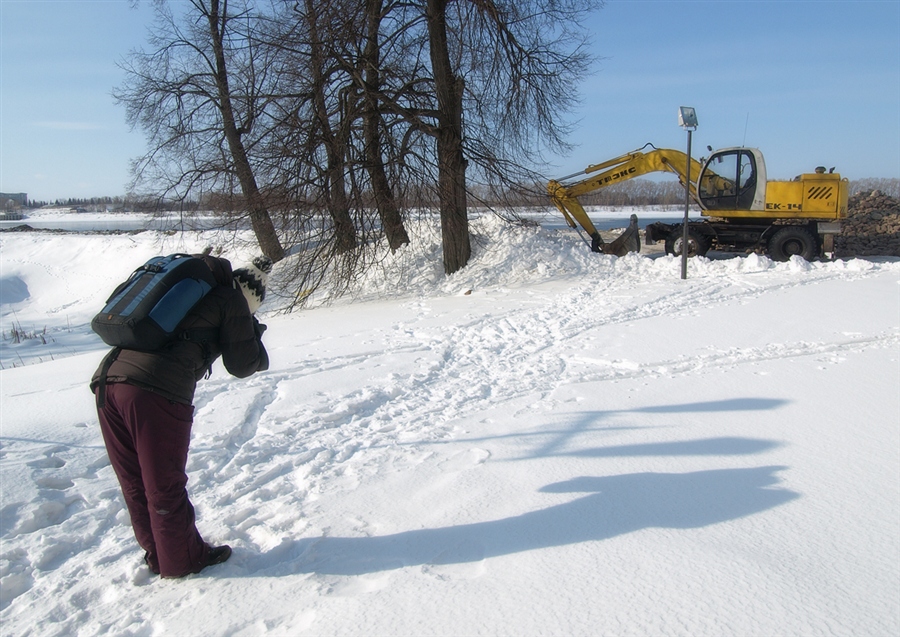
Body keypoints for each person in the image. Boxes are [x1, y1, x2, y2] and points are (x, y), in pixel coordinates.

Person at [90, 254, 269, 578]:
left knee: (135, 481)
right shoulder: (231, 300)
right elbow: (243, 365)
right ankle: (183, 562)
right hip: (153, 391)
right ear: (250, 300)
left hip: (107, 383)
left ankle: (160, 553)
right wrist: (253, 331)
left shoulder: (188, 294)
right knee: (164, 483)